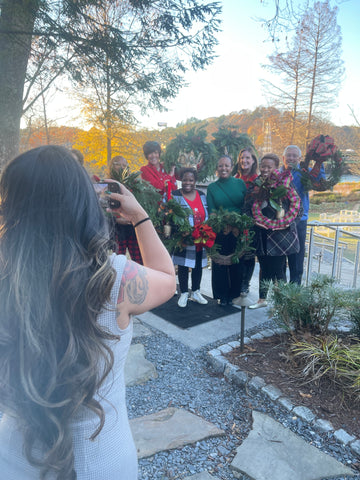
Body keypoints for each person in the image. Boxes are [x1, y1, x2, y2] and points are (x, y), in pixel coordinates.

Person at [0, 146, 176, 479]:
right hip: (101, 459)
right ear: (83, 203)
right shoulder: (117, 278)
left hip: (13, 459)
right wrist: (139, 216)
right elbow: (168, 279)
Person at [247, 153, 302, 309]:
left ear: (276, 168)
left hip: (280, 235)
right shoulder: (256, 185)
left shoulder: (286, 185)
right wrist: (254, 221)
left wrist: (288, 224)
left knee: (279, 269)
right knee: (264, 267)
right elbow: (248, 207)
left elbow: (298, 208)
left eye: (269, 167)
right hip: (261, 233)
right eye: (263, 166)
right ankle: (262, 300)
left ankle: (282, 301)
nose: (265, 169)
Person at [206, 155, 247, 305]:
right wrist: (221, 224)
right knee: (220, 263)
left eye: (226, 166)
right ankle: (222, 296)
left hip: (238, 228)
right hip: (220, 229)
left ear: (231, 167)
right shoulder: (212, 188)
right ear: (216, 168)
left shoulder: (240, 183)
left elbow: (245, 206)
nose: (223, 168)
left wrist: (238, 224)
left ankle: (234, 294)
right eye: (220, 166)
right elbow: (212, 210)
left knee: (237, 262)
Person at [282, 145, 325, 284]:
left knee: (297, 255)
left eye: (294, 156)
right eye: (289, 155)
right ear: (283, 158)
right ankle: (280, 289)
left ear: (300, 159)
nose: (291, 158)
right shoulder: (277, 173)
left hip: (299, 219)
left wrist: (320, 161)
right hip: (279, 220)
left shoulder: (305, 173)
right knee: (280, 255)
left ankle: (295, 289)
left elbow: (320, 180)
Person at [172, 168, 209, 307]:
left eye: (191, 180)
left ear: (195, 181)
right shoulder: (175, 195)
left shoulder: (201, 194)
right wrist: (180, 230)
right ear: (181, 180)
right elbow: (168, 214)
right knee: (183, 265)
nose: (188, 182)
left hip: (200, 237)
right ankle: (184, 293)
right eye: (185, 179)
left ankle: (196, 291)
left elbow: (206, 213)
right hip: (184, 237)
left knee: (198, 265)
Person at [234, 147, 259, 296]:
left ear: (253, 160)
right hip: (235, 222)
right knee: (236, 252)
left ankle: (245, 284)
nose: (244, 160)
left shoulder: (258, 180)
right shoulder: (235, 179)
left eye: (248, 158)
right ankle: (236, 282)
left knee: (248, 254)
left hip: (252, 223)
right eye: (242, 158)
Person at [109, 155, 143, 263]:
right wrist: (116, 219)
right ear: (112, 166)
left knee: (139, 260)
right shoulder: (107, 184)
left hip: (132, 228)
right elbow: (103, 208)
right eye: (118, 164)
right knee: (116, 260)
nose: (121, 167)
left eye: (124, 165)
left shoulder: (134, 185)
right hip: (116, 229)